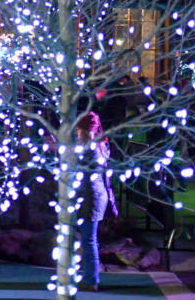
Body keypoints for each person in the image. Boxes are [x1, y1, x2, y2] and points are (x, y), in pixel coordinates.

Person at [77, 111, 118, 293]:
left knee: (88, 240)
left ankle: (91, 279)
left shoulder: (88, 149)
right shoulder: (101, 146)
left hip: (89, 198)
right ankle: (89, 276)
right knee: (89, 239)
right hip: (96, 196)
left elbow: (78, 170)